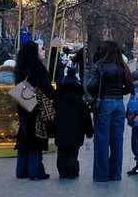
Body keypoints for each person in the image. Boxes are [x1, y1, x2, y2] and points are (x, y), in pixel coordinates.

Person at [88, 41, 134, 182]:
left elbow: (91, 86)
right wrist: (119, 91)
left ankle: (101, 174)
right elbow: (130, 87)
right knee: (117, 140)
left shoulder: (100, 66)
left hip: (104, 103)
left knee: (102, 139)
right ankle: (115, 174)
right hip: (119, 104)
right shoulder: (122, 66)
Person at [14, 41, 55, 180]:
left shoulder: (20, 69)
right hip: (36, 108)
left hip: (23, 104)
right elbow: (47, 91)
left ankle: (21, 170)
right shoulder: (39, 70)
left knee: (24, 137)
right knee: (36, 138)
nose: (42, 52)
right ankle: (35, 171)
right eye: (40, 50)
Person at [55, 66, 92, 179]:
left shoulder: (58, 100)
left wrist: (51, 130)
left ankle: (62, 171)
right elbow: (86, 118)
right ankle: (72, 171)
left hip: (60, 131)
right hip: (76, 132)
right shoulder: (80, 102)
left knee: (61, 152)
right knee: (73, 152)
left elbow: (53, 117)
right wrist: (89, 132)